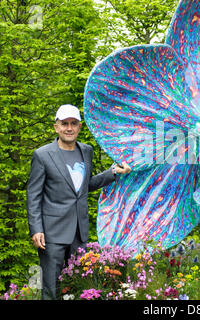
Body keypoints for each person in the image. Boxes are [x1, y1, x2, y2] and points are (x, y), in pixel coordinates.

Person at [26, 104, 131, 300]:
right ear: (56, 127)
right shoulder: (42, 155)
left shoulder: (87, 151)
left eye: (73, 123)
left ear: (79, 127)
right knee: (51, 289)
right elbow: (33, 195)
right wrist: (36, 229)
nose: (69, 128)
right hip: (52, 234)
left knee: (77, 287)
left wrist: (113, 172)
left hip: (79, 233)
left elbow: (85, 186)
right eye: (64, 123)